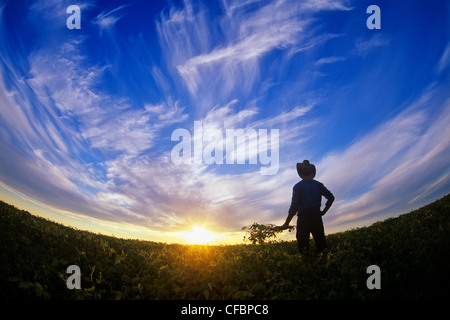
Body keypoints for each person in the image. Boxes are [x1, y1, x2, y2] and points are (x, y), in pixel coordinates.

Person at [279, 160, 334, 254]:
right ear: (312, 173)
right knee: (321, 244)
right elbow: (331, 197)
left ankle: (307, 264)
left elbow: (294, 207)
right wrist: (323, 211)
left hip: (303, 219)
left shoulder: (298, 187)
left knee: (303, 246)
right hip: (316, 217)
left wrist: (286, 223)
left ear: (300, 174)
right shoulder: (318, 185)